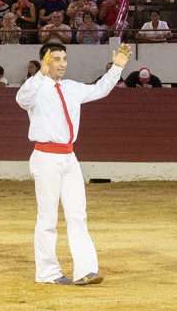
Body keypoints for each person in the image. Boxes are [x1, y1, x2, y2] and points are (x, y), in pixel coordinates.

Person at [16, 41, 130, 285]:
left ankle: (86, 270)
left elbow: (100, 89)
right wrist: (39, 75)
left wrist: (117, 68)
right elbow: (21, 99)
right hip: (45, 156)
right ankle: (47, 272)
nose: (62, 64)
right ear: (45, 62)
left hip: (69, 156)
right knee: (47, 217)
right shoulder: (35, 88)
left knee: (77, 214)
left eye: (64, 59)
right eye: (56, 59)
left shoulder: (71, 87)